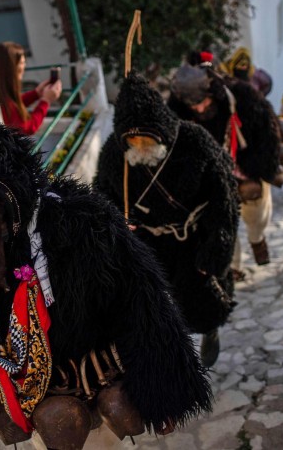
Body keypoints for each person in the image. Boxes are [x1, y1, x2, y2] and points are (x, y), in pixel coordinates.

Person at [0, 84, 212, 442]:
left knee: (76, 423)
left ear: (13, 187)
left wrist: (163, 392)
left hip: (90, 373)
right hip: (10, 388)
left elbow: (143, 302)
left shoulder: (83, 221)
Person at [95, 73, 239, 368]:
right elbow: (102, 195)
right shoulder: (115, 152)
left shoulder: (194, 141)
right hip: (148, 242)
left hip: (192, 238)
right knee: (154, 306)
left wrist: (215, 249)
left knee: (203, 299)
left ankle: (210, 329)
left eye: (145, 138)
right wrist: (117, 225)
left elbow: (224, 197)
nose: (139, 145)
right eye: (132, 139)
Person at [168, 65, 282, 279]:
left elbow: (268, 133)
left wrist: (258, 167)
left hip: (246, 169)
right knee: (221, 222)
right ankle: (234, 267)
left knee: (256, 213)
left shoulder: (244, 98)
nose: (200, 110)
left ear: (212, 93)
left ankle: (257, 239)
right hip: (212, 177)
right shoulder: (179, 115)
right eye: (194, 106)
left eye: (203, 102)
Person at [0, 41, 62, 135]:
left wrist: (36, 93)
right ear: (12, 68)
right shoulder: (4, 101)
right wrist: (46, 101)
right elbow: (27, 128)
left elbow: (13, 106)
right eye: (22, 63)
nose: (24, 66)